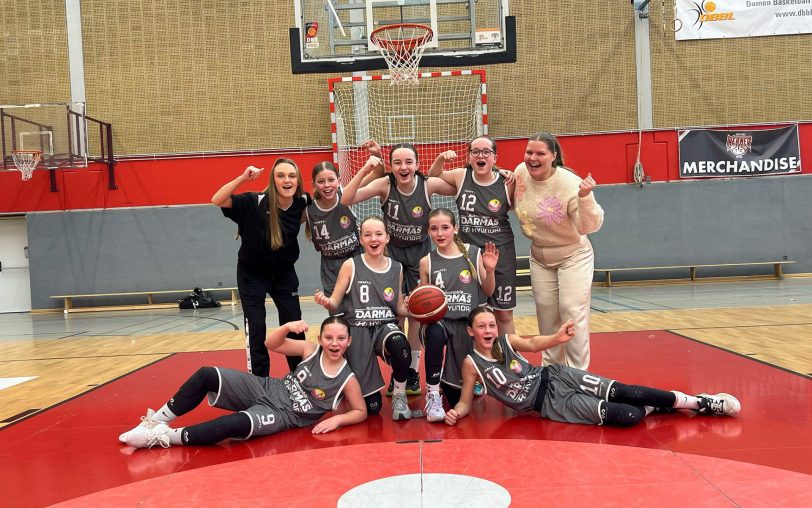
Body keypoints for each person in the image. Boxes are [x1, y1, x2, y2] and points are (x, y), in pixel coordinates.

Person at [444, 307, 741, 427]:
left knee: (624, 390)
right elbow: (466, 402)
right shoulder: (472, 364)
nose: (488, 330)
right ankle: (660, 405)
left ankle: (700, 402)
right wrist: (456, 412)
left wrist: (558, 337)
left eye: (491, 325)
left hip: (558, 375)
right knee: (628, 415)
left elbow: (534, 344)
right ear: (471, 332)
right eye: (481, 326)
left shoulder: (507, 341)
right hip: (549, 404)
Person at [118, 317, 367, 449]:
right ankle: (156, 421)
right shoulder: (309, 350)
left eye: (341, 338)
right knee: (207, 373)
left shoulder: (347, 378)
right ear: (321, 339)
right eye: (329, 337)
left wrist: (336, 419)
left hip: (282, 414)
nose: (335, 343)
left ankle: (164, 436)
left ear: (349, 342)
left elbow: (360, 411)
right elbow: (272, 345)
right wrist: (287, 327)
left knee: (233, 424)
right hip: (268, 387)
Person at [342, 143, 456, 396]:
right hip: (392, 254)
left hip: (420, 254)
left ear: (417, 164)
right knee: (397, 312)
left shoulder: (428, 185)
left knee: (417, 312)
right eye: (397, 163)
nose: (403, 167)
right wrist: (366, 168)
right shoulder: (385, 185)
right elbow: (346, 199)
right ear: (391, 166)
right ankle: (400, 371)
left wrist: (501, 175)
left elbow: (462, 184)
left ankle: (412, 371)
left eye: (408, 162)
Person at [513, 132, 603, 370]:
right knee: (547, 316)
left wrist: (585, 197)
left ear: (553, 156)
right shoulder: (520, 173)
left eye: (540, 153)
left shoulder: (570, 184)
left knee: (571, 312)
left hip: (573, 255)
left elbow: (588, 227)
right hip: (540, 256)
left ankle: (577, 375)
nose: (533, 157)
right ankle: (553, 373)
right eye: (529, 152)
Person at [212, 159, 310, 376]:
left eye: (291, 176)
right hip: (252, 275)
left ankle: (299, 379)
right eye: (281, 175)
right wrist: (243, 178)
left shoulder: (302, 202)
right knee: (256, 328)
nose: (287, 180)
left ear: (298, 180)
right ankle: (258, 382)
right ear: (273, 180)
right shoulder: (253, 201)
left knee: (295, 326)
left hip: (284, 275)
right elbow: (217, 199)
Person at [313, 216, 415, 421]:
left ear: (387, 237)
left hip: (384, 328)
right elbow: (335, 302)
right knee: (372, 408)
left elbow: (398, 307)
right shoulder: (351, 265)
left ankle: (399, 393)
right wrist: (326, 302)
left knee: (400, 346)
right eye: (367, 235)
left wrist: (418, 308)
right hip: (358, 332)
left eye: (378, 234)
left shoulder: (397, 268)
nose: (373, 239)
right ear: (361, 240)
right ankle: (348, 387)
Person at [428, 136, 518, 334]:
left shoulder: (507, 182)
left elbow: (517, 208)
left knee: (503, 314)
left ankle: (510, 360)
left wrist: (502, 171)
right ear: (469, 157)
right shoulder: (461, 176)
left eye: (486, 151)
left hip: (500, 251)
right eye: (475, 151)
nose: (481, 155)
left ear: (495, 157)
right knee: (473, 313)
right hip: (469, 254)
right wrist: (442, 158)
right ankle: (476, 357)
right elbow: (432, 176)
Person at [419, 208, 498, 423]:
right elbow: (424, 305)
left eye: (445, 227)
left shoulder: (473, 253)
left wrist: (489, 270)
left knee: (456, 398)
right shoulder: (427, 261)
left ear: (456, 228)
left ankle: (449, 382)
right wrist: (414, 303)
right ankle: (433, 392)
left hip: (467, 326)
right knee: (434, 333)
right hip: (441, 323)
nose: (440, 233)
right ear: (428, 231)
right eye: (434, 229)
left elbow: (489, 292)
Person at [305, 161, 362, 312]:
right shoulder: (308, 209)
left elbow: (375, 175)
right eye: (321, 181)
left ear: (339, 181)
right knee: (337, 313)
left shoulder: (347, 195)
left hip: (355, 257)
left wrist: (374, 156)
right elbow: (282, 215)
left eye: (331, 180)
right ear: (314, 184)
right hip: (331, 266)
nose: (327, 185)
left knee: (361, 308)